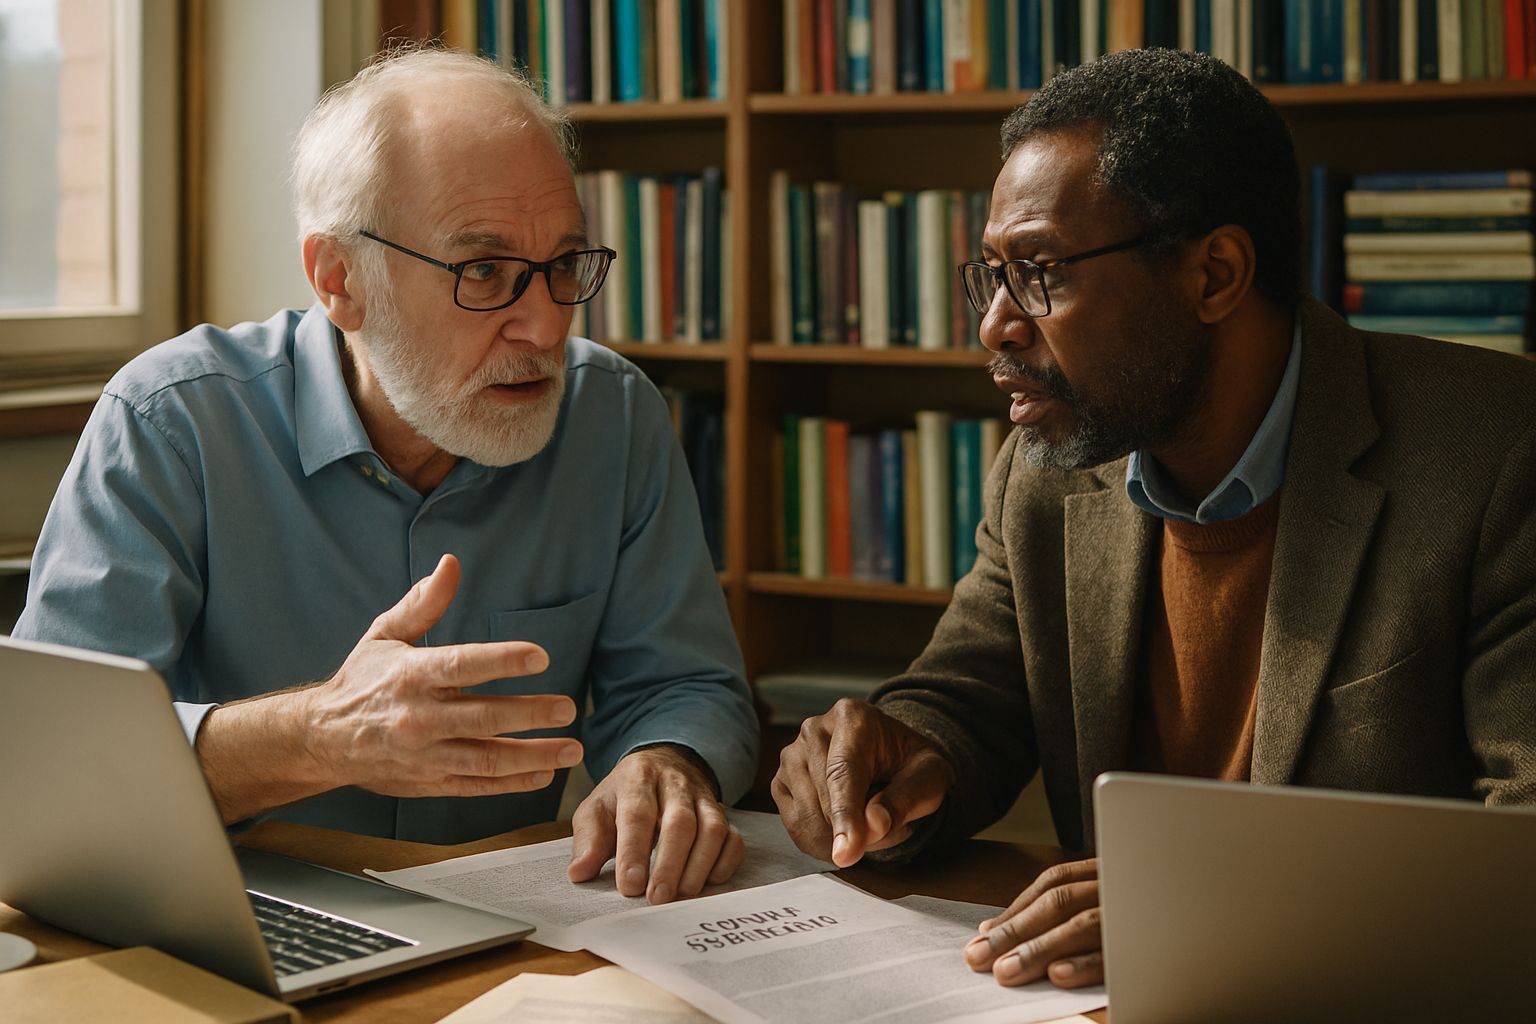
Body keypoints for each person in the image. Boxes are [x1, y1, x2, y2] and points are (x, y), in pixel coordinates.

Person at [773, 47, 1536, 989]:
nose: (996, 326)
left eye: (1042, 271)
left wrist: (1213, 904)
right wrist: (898, 756)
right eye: (992, 276)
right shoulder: (1048, 472)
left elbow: (1523, 840)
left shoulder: (1499, 455)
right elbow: (971, 696)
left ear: (1214, 274)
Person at [13, 46, 758, 907]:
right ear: (340, 281)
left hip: (507, 926)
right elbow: (47, 771)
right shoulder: (171, 423)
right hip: (228, 919)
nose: (547, 324)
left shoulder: (612, 416)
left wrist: (664, 762)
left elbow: (686, 685)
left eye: (563, 264)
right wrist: (316, 737)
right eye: (483, 270)